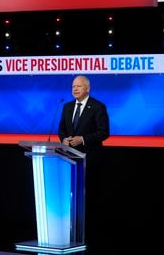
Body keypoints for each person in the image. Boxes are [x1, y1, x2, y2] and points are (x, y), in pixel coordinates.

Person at [57, 75, 110, 251]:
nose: (75, 89)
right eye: (73, 86)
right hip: (69, 159)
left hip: (90, 160)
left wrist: (83, 140)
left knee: (88, 198)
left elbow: (103, 133)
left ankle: (88, 234)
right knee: (70, 198)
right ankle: (70, 231)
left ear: (87, 88)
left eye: (79, 86)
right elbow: (62, 129)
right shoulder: (67, 107)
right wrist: (64, 139)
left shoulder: (97, 107)